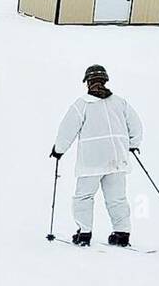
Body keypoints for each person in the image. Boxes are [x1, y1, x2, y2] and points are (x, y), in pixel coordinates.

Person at [50, 64, 143, 247]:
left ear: (87, 82)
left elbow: (67, 130)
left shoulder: (81, 104)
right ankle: (122, 234)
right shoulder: (120, 102)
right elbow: (136, 125)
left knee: (84, 197)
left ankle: (84, 234)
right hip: (117, 160)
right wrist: (132, 145)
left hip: (91, 161)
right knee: (117, 198)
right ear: (105, 80)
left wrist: (58, 150)